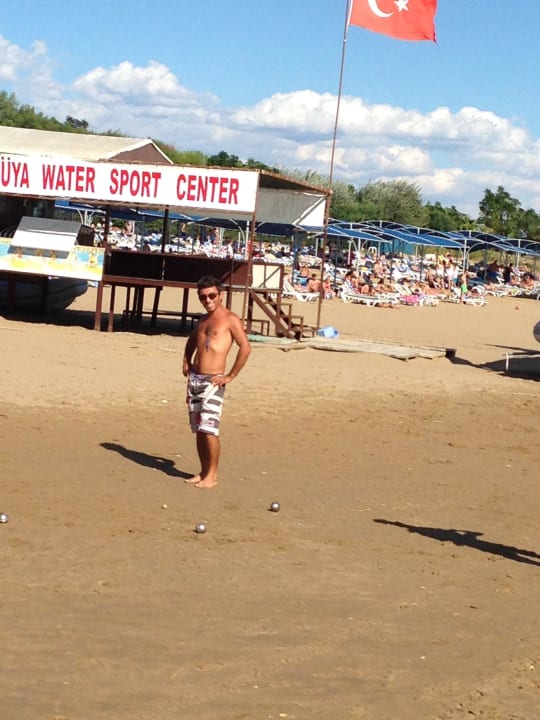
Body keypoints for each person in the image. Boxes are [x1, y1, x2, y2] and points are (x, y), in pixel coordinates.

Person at [182, 275, 251, 488]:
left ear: (220, 295)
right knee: (198, 428)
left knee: (209, 428)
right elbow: (193, 340)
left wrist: (230, 375)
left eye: (212, 295)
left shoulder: (230, 319)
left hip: (213, 381)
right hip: (196, 378)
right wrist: (186, 360)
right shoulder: (203, 319)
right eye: (203, 297)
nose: (208, 300)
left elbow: (245, 347)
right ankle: (203, 471)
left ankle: (212, 475)